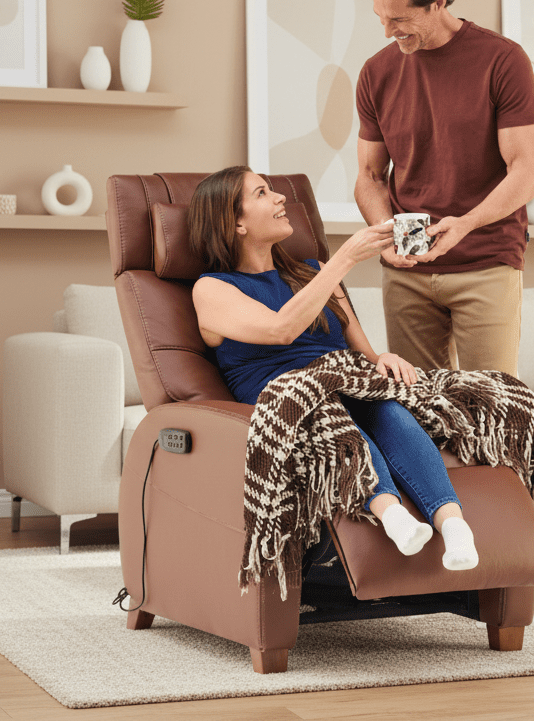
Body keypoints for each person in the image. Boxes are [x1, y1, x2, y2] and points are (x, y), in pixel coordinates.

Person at [189, 166, 479, 571]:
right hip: (290, 396)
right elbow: (281, 329)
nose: (280, 197)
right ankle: (392, 515)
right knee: (328, 413)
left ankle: (454, 526)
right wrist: (343, 259)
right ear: (236, 223)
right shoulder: (212, 289)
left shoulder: (313, 270)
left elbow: (362, 353)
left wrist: (383, 359)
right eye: (262, 193)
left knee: (387, 408)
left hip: (346, 379)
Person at [355, 0, 534, 376]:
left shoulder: (502, 60)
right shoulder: (376, 73)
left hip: (486, 261)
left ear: (438, 1)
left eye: (400, 19)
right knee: (416, 406)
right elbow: (370, 175)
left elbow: (524, 172)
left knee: (490, 403)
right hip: (407, 274)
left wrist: (466, 224)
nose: (388, 31)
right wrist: (387, 234)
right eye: (381, 18)